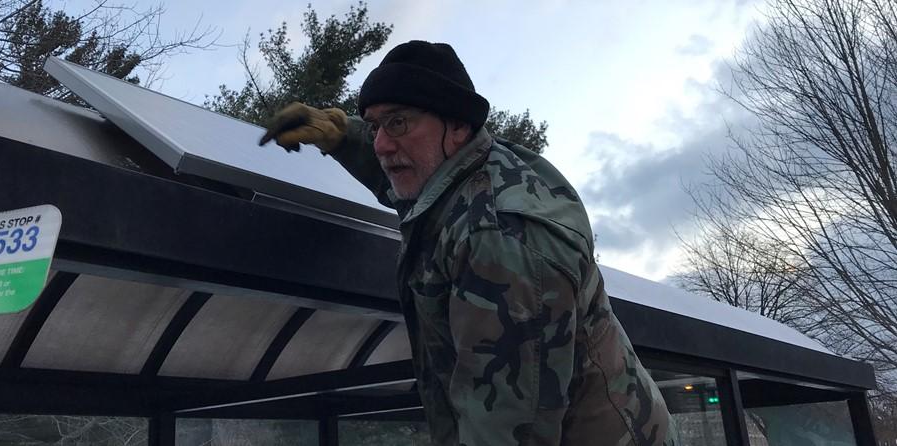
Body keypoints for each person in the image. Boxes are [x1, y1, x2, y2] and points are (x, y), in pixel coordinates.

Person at [259, 40, 676, 446]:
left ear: (457, 124)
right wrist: (341, 134)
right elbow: (406, 176)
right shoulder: (455, 171)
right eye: (374, 125)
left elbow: (510, 427)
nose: (382, 144)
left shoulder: (499, 240)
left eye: (398, 122)